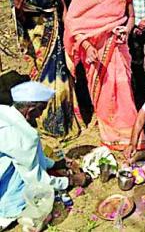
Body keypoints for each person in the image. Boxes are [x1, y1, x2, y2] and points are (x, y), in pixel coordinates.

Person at [64, 0, 145, 152]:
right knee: (103, 92)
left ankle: (129, 133)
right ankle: (109, 132)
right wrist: (87, 46)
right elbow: (74, 23)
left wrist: (126, 30)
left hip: (118, 47)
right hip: (94, 50)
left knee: (123, 87)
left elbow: (131, 17)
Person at [9, 0, 84, 140]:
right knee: (43, 79)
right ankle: (44, 121)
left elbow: (64, 3)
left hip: (57, 33)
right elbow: (22, 21)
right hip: (38, 40)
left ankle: (64, 122)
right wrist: (18, 8)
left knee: (62, 77)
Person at [0, 82, 88, 231]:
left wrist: (55, 164)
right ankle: (9, 208)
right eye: (42, 109)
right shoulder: (25, 136)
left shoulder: (3, 111)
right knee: (25, 188)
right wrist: (71, 180)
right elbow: (37, 180)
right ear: (31, 110)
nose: (42, 115)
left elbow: (27, 155)